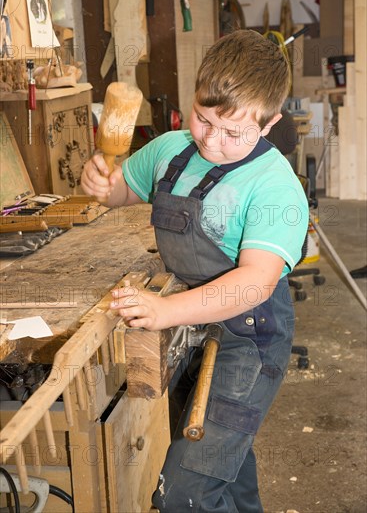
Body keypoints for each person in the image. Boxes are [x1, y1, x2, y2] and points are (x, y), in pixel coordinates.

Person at [81, 29, 309, 512]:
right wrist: (102, 183)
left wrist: (165, 311)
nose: (213, 141)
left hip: (249, 338)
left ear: (269, 124)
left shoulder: (275, 186)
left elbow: (255, 282)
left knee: (185, 494)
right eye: (204, 121)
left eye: (235, 132)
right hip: (189, 328)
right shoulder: (171, 149)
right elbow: (124, 189)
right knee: (223, 466)